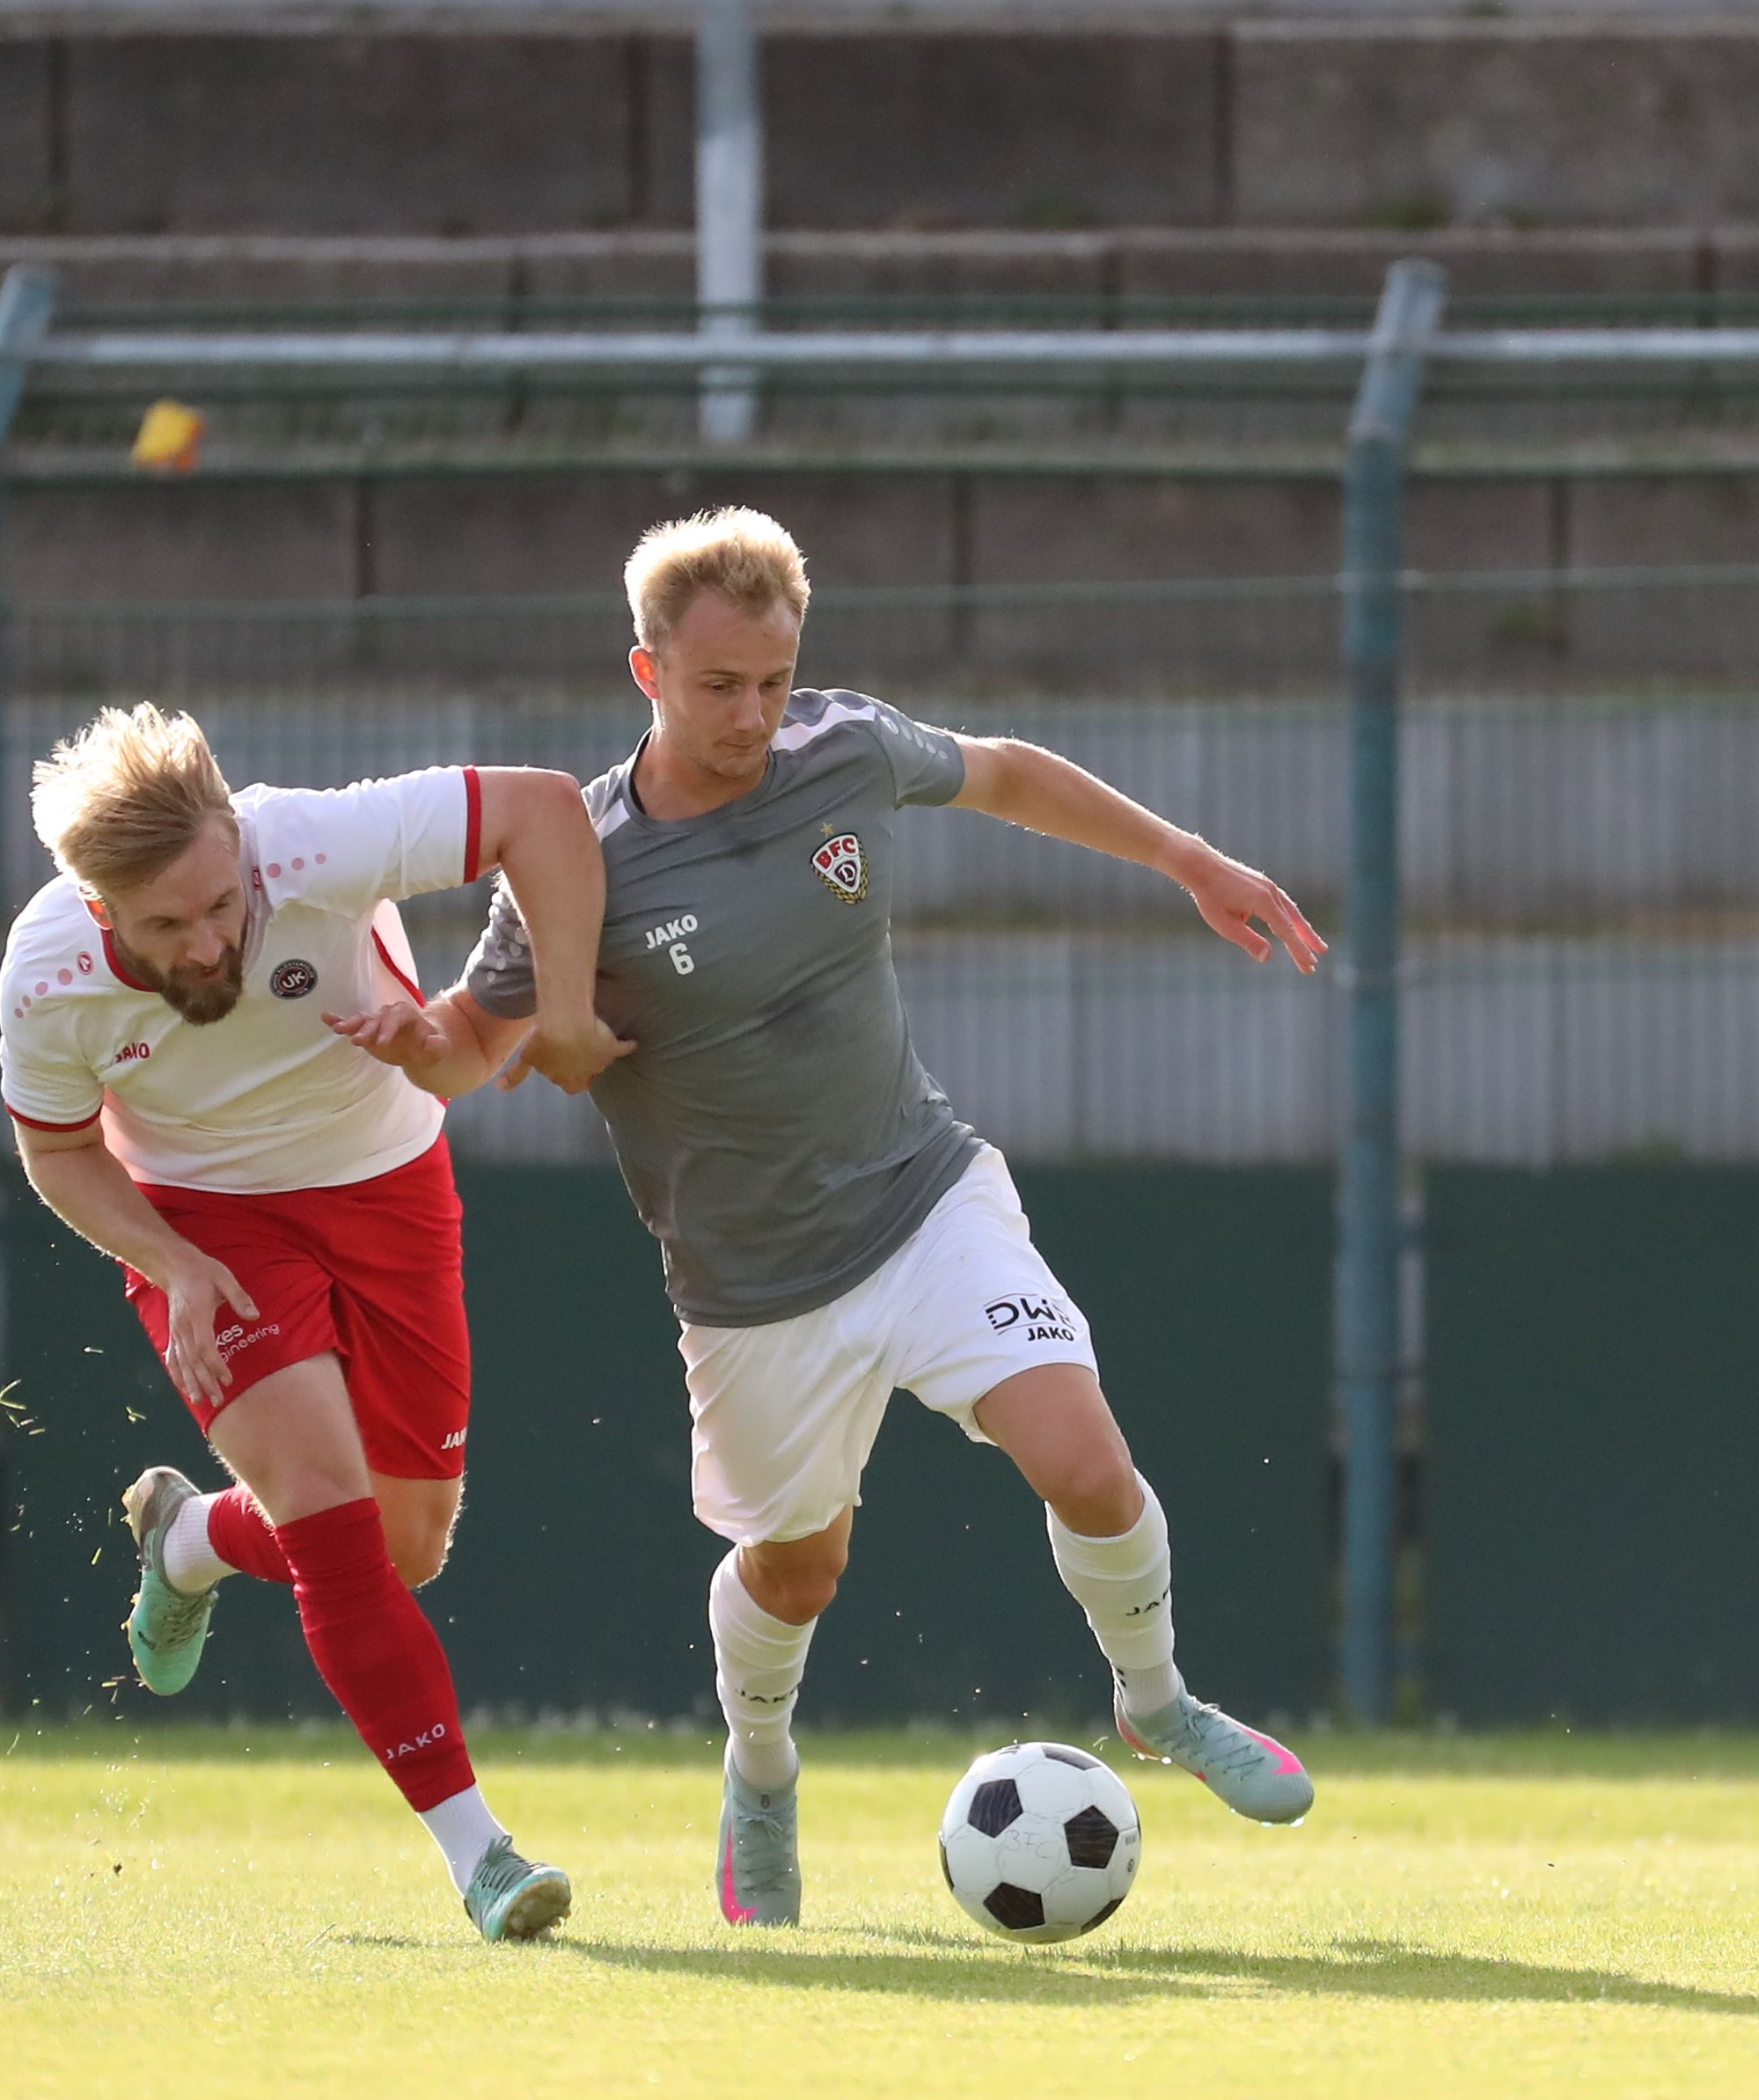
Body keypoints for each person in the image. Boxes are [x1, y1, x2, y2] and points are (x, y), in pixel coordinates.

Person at [342, 506, 1327, 1928]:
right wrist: (393, 1033)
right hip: (749, 1292)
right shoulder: (579, 863)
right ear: (647, 674)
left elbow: (1006, 777)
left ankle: (1159, 1703)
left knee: (1088, 1461)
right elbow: (463, 1049)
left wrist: (1187, 859)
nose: (754, 716)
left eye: (775, 682)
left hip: (922, 1199)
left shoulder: (844, 750)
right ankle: (759, 1774)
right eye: (719, 686)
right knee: (800, 1568)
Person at [0, 703, 622, 1942]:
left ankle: (196, 1538)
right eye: (167, 924)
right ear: (97, 903)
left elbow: (546, 811)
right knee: (338, 1535)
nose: (211, 939)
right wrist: (172, 1265)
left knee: (407, 1545)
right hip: (207, 1224)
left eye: (222, 902)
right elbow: (59, 1157)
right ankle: (481, 1858)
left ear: (238, 839)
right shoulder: (47, 977)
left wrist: (559, 1007)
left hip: (389, 1184)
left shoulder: (310, 842)